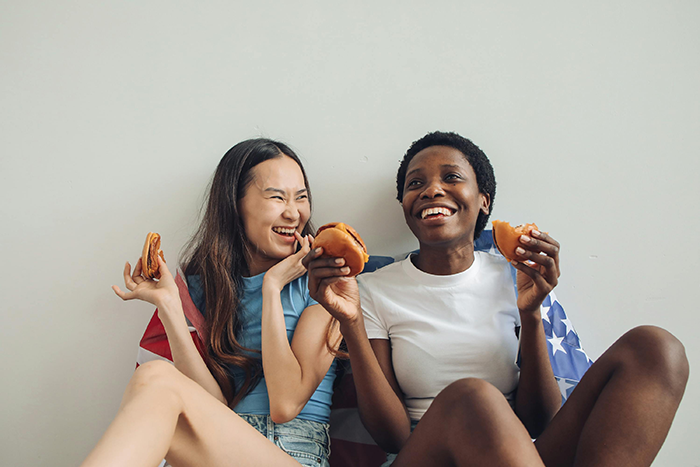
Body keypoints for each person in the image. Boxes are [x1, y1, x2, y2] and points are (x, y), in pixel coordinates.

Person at [304, 131, 689, 467]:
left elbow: (539, 421)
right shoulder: (373, 289)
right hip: (426, 454)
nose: (431, 190)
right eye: (414, 183)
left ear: (483, 200)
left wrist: (532, 312)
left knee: (655, 348)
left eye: (451, 177)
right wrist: (351, 324)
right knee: (473, 397)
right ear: (406, 205)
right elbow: (392, 437)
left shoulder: (514, 274)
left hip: (519, 451)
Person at [82, 139, 341, 467]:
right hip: (222, 449)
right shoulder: (209, 288)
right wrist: (170, 306)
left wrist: (272, 288)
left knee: (156, 379)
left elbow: (285, 404)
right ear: (236, 204)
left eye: (301, 197)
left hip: (294, 452)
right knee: (155, 376)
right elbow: (213, 405)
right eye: (277, 197)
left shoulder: (325, 282)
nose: (293, 213)